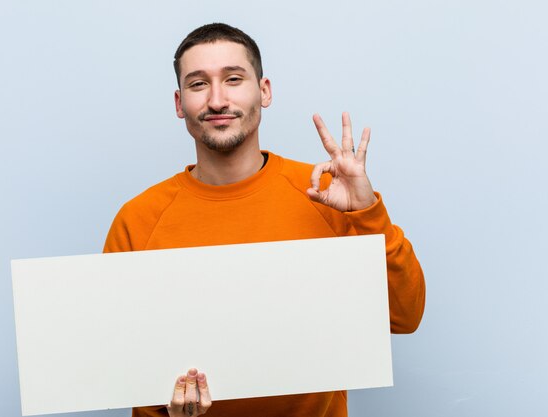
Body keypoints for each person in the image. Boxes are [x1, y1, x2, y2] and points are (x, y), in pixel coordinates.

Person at [104, 22, 425, 417]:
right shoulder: (138, 219)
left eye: (234, 79)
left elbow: (404, 316)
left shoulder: (325, 193)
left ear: (264, 90)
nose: (217, 100)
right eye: (198, 84)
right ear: (178, 102)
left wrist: (366, 210)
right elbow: (125, 365)